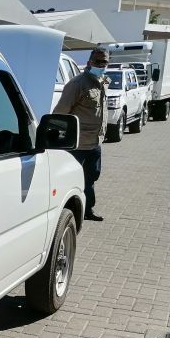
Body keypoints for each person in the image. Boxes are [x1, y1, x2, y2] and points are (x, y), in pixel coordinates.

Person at [53, 48, 109, 221]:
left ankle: (88, 210)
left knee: (91, 178)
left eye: (104, 63)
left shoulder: (102, 82)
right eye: (98, 62)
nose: (101, 66)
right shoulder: (77, 84)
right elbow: (60, 113)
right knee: (72, 179)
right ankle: (68, 211)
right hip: (78, 143)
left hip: (95, 142)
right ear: (90, 61)